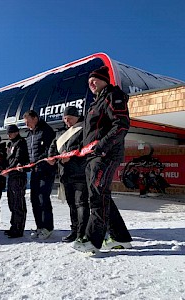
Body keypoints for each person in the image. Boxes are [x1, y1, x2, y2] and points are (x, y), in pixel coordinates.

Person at [72, 66, 133, 252]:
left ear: (104, 80)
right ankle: (121, 238)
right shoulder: (95, 103)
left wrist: (101, 147)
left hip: (106, 155)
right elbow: (90, 134)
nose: (91, 83)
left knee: (98, 197)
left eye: (95, 79)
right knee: (101, 196)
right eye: (89, 81)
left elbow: (121, 125)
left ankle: (92, 240)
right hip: (93, 157)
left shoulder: (113, 96)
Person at [48, 106, 89, 243]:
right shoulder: (60, 133)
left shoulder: (84, 129)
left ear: (77, 117)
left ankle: (83, 233)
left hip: (80, 172)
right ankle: (74, 230)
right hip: (65, 173)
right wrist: (52, 157)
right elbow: (53, 147)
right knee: (72, 204)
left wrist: (71, 156)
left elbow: (86, 147)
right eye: (65, 119)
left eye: (70, 118)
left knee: (81, 203)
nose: (67, 122)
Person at [23, 110, 57, 239]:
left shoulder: (46, 131)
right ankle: (39, 226)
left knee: (43, 198)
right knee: (34, 199)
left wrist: (38, 161)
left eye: (28, 122)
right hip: (34, 171)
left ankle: (47, 227)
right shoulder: (29, 135)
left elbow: (50, 150)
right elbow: (28, 153)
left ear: (35, 118)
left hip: (46, 170)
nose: (27, 125)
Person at [5, 125, 29, 238]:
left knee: (18, 202)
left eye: (11, 133)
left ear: (16, 132)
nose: (9, 135)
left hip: (18, 176)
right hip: (11, 175)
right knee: (11, 202)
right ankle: (13, 226)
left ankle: (18, 228)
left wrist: (10, 167)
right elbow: (8, 159)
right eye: (8, 133)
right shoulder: (9, 144)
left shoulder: (21, 142)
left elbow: (18, 158)